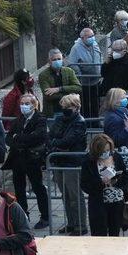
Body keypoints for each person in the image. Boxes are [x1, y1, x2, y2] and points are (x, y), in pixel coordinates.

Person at [80, 134, 128, 255]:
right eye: (103, 150)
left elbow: (125, 176)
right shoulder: (88, 162)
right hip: (99, 203)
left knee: (114, 235)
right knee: (98, 237)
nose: (106, 153)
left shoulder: (117, 158)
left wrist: (121, 186)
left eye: (108, 149)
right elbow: (85, 184)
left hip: (116, 201)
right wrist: (101, 183)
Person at [2, 94, 48, 229]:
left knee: (38, 187)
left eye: (27, 103)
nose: (23, 106)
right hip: (17, 159)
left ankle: (45, 217)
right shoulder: (18, 119)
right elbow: (9, 138)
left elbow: (38, 137)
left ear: (34, 105)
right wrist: (21, 139)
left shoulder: (40, 119)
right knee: (19, 189)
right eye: (22, 103)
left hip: (33, 159)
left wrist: (19, 138)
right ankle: (24, 216)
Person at [48, 94, 88, 235]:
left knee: (75, 195)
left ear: (76, 107)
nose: (65, 109)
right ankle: (71, 223)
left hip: (72, 162)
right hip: (59, 160)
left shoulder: (80, 121)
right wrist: (57, 144)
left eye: (68, 107)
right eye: (63, 106)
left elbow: (69, 140)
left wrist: (57, 143)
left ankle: (81, 225)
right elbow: (51, 135)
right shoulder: (60, 119)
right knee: (65, 195)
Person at [66, 28, 103, 119]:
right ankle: (85, 121)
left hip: (96, 80)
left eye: (93, 35)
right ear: (82, 38)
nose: (92, 38)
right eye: (89, 36)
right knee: (85, 103)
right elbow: (72, 64)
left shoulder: (95, 44)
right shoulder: (76, 48)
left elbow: (100, 56)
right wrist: (81, 74)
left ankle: (95, 122)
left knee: (96, 103)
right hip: (84, 82)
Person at [38, 49, 82, 118]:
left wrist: (59, 89)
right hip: (52, 111)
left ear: (62, 59)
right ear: (49, 61)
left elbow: (78, 88)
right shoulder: (43, 75)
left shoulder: (69, 71)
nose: (57, 61)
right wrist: (69, 96)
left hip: (69, 109)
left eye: (59, 59)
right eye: (54, 60)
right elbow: (48, 96)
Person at [102, 88, 128, 156]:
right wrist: (127, 129)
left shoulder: (123, 112)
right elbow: (114, 140)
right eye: (123, 98)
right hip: (123, 154)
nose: (126, 99)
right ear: (115, 100)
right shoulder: (112, 117)